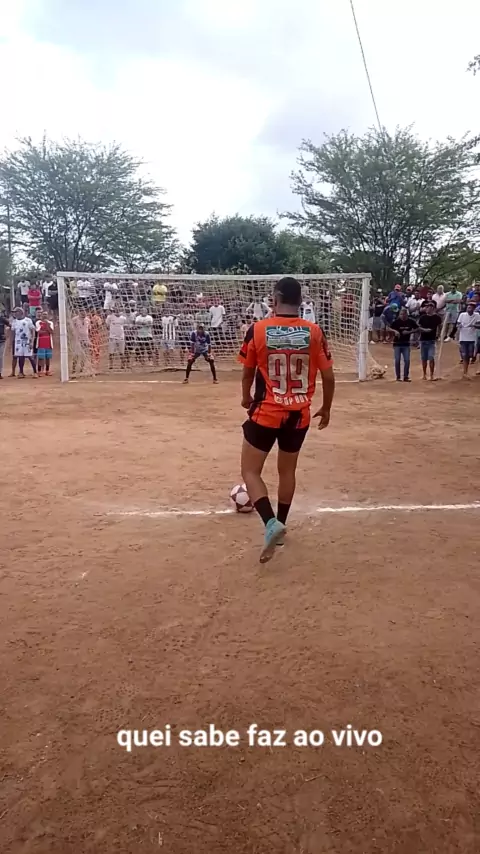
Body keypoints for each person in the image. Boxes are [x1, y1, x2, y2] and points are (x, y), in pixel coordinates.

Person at [239, 276, 335, 563]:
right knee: (287, 471)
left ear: (275, 298)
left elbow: (247, 372)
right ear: (300, 300)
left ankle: (270, 523)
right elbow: (329, 376)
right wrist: (326, 407)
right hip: (299, 415)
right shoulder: (314, 331)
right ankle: (281, 523)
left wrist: (245, 396)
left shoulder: (258, 329)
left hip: (266, 412)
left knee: (250, 471)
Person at [388, 307, 417, 382]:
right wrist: (395, 331)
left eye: (404, 314)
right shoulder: (396, 322)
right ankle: (398, 376)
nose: (402, 316)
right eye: (401, 314)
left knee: (407, 360)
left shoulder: (411, 321)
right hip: (397, 344)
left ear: (406, 314)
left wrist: (409, 332)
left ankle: (406, 376)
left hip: (406, 344)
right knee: (397, 360)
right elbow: (389, 328)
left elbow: (417, 328)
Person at [418, 301, 442, 381]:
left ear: (433, 308)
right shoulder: (422, 317)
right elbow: (418, 327)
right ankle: (424, 374)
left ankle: (431, 374)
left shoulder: (437, 318)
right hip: (423, 339)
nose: (427, 308)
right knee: (424, 358)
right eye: (426, 307)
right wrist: (424, 330)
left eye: (429, 307)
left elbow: (440, 327)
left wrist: (439, 335)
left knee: (431, 358)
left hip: (432, 340)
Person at [11, 307, 37, 378]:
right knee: (20, 357)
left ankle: (35, 372)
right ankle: (21, 372)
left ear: (21, 312)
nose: (15, 314)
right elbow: (13, 333)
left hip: (27, 341)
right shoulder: (14, 322)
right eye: (14, 312)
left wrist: (32, 341)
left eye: (16, 312)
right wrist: (12, 342)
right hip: (18, 342)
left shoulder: (28, 320)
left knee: (30, 357)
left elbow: (33, 330)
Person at [456, 301, 480, 379]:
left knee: (471, 354)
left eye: (471, 307)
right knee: (465, 355)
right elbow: (458, 324)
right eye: (468, 307)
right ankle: (465, 372)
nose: (469, 308)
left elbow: (479, 325)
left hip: (472, 338)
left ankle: (472, 360)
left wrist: (474, 325)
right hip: (463, 338)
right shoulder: (462, 315)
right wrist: (459, 326)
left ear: (474, 308)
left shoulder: (477, 315)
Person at [71, 309, 91, 376]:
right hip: (77, 339)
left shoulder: (88, 320)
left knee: (84, 355)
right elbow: (71, 328)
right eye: (82, 312)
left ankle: (82, 368)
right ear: (79, 312)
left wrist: (88, 338)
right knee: (76, 354)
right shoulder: (75, 319)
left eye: (85, 312)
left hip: (85, 339)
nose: (83, 314)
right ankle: (73, 368)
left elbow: (89, 329)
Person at [106, 306, 127, 370]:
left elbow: (125, 327)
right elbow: (107, 326)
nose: (117, 310)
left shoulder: (123, 318)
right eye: (116, 309)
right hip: (112, 337)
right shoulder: (109, 317)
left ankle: (122, 365)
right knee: (111, 352)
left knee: (121, 352)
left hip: (121, 337)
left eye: (118, 309)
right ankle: (111, 365)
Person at [36, 311, 54, 376]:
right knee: (41, 358)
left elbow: (51, 332)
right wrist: (46, 331)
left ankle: (47, 370)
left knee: (48, 357)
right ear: (41, 315)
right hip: (41, 343)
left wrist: (47, 325)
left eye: (46, 314)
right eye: (43, 314)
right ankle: (39, 371)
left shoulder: (50, 323)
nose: (45, 315)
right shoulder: (38, 322)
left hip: (48, 343)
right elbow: (39, 332)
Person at [0, 310, 11, 378]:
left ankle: (0, 372)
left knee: (0, 357)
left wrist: (7, 334)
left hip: (1, 341)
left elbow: (10, 326)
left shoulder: (2, 319)